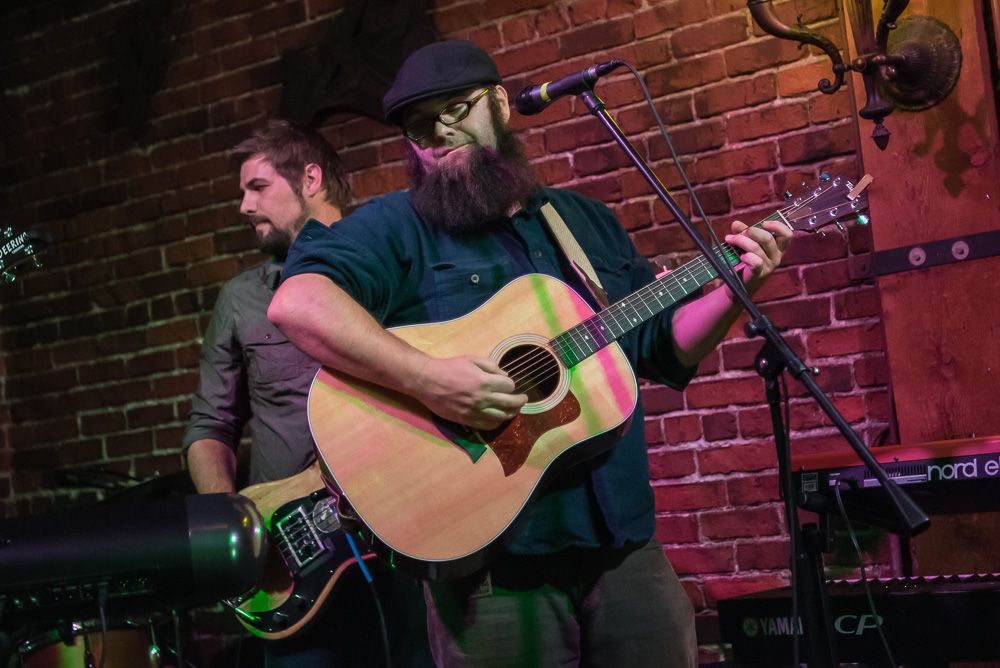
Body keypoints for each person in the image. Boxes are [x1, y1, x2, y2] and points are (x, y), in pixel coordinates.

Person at [268, 41, 792, 667]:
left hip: (621, 544)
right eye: (418, 126)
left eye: (456, 109)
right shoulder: (396, 226)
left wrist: (737, 289)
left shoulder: (584, 223)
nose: (438, 133)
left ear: (499, 105)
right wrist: (430, 379)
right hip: (493, 567)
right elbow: (298, 302)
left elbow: (657, 346)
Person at [183, 119, 433, 668]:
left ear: (311, 178)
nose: (243, 206)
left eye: (257, 187)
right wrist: (229, 519)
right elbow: (210, 426)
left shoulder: (398, 265)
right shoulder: (242, 299)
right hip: (293, 559)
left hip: (408, 538)